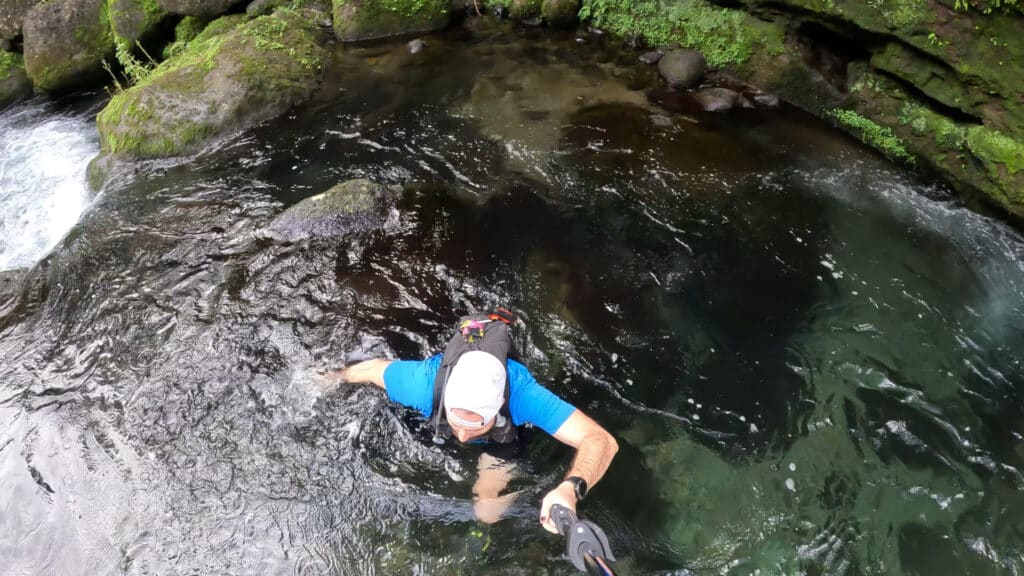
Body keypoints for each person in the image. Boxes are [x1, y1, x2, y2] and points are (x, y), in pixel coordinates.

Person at [318, 311, 618, 534]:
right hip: (446, 372)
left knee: (486, 512)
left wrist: (569, 489)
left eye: (475, 425)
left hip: (502, 428)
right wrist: (331, 380)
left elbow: (601, 440)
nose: (461, 437)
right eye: (457, 420)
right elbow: (371, 369)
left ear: (499, 405)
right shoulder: (420, 384)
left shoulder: (524, 397)